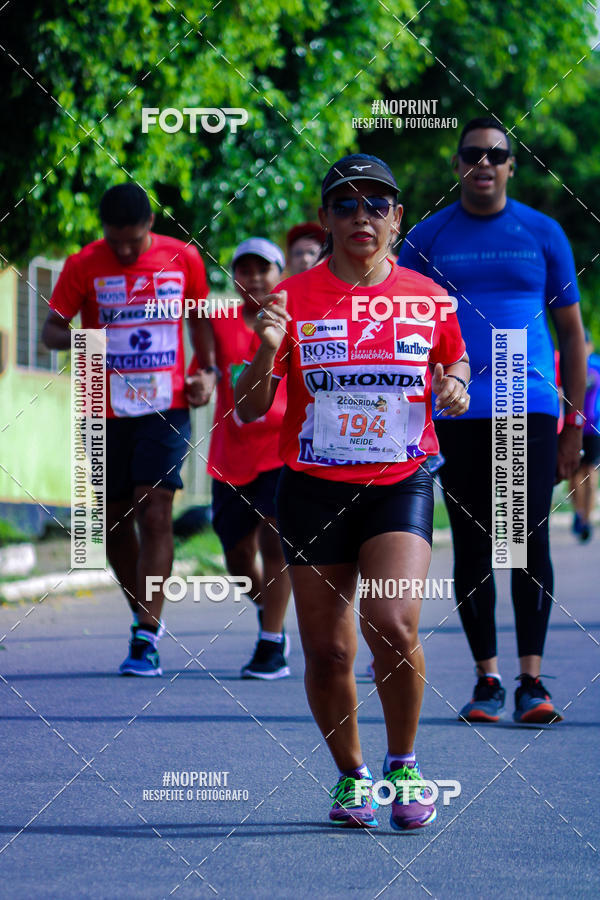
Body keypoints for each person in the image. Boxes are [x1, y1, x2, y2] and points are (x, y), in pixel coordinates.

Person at [235, 154, 470, 830]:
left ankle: (404, 766)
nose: (361, 216)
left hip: (400, 479)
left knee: (393, 624)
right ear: (326, 218)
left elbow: (452, 360)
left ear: (397, 218)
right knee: (330, 651)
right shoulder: (293, 300)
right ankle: (351, 775)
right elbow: (250, 410)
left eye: (376, 204)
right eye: (345, 204)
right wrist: (263, 349)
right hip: (311, 488)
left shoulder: (427, 297)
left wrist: (454, 384)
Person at [398, 117, 587, 724]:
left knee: (524, 538)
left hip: (528, 406)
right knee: (475, 543)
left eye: (496, 155)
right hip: (457, 411)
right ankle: (487, 681)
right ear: (457, 165)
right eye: (472, 154)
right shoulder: (428, 236)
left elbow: (573, 336)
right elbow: (401, 326)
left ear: (511, 165)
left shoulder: (543, 232)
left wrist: (576, 427)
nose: (484, 164)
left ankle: (532, 682)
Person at [42, 183, 214, 676]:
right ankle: (142, 615)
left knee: (154, 508)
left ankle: (145, 636)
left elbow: (199, 318)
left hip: (166, 402)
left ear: (150, 227)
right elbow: (52, 329)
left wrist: (206, 371)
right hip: (104, 406)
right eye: (114, 242)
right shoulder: (84, 264)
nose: (122, 252)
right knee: (115, 521)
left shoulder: (182, 258)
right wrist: (88, 339)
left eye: (132, 243)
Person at [187, 238, 292, 678]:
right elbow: (207, 366)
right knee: (236, 556)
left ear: (279, 274)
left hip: (281, 446)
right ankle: (276, 615)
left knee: (274, 541)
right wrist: (204, 382)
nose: (253, 278)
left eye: (262, 269)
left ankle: (270, 642)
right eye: (244, 270)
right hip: (230, 451)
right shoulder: (222, 318)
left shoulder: (295, 318)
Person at [570, 330, 600, 542]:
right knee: (574, 475)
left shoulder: (597, 365)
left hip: (595, 429)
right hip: (573, 427)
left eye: (585, 343)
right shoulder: (569, 364)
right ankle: (579, 513)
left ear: (590, 346)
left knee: (590, 473)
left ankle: (586, 520)